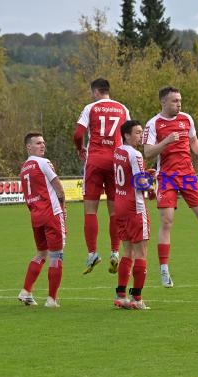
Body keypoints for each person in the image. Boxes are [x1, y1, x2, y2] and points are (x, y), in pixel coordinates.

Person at [143, 86, 198, 288]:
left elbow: (193, 140)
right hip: (167, 177)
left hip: (188, 175)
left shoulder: (186, 119)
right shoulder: (153, 124)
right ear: (163, 102)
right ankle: (164, 269)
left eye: (180, 100)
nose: (179, 104)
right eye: (174, 101)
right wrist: (165, 141)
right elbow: (148, 152)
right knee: (167, 222)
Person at [73, 78, 131, 275]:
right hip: (116, 162)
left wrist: (80, 149)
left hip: (96, 161)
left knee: (91, 210)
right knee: (114, 210)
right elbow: (128, 135)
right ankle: (115, 252)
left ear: (96, 91)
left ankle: (92, 253)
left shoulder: (91, 108)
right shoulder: (123, 108)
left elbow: (78, 134)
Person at [18, 132, 66, 308]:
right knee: (56, 255)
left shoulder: (24, 168)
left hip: (36, 215)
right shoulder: (43, 162)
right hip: (51, 213)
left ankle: (26, 291)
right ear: (28, 147)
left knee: (41, 253)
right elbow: (58, 186)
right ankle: (52, 299)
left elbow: (26, 194)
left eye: (43, 143)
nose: (42, 145)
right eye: (38, 143)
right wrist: (63, 207)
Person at [113, 120, 153, 310]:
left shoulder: (118, 151)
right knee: (141, 252)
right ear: (127, 135)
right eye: (137, 132)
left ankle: (121, 295)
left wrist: (144, 173)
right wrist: (151, 184)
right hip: (135, 207)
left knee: (127, 251)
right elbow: (140, 183)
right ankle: (137, 298)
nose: (140, 135)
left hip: (119, 205)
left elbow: (131, 176)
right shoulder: (135, 154)